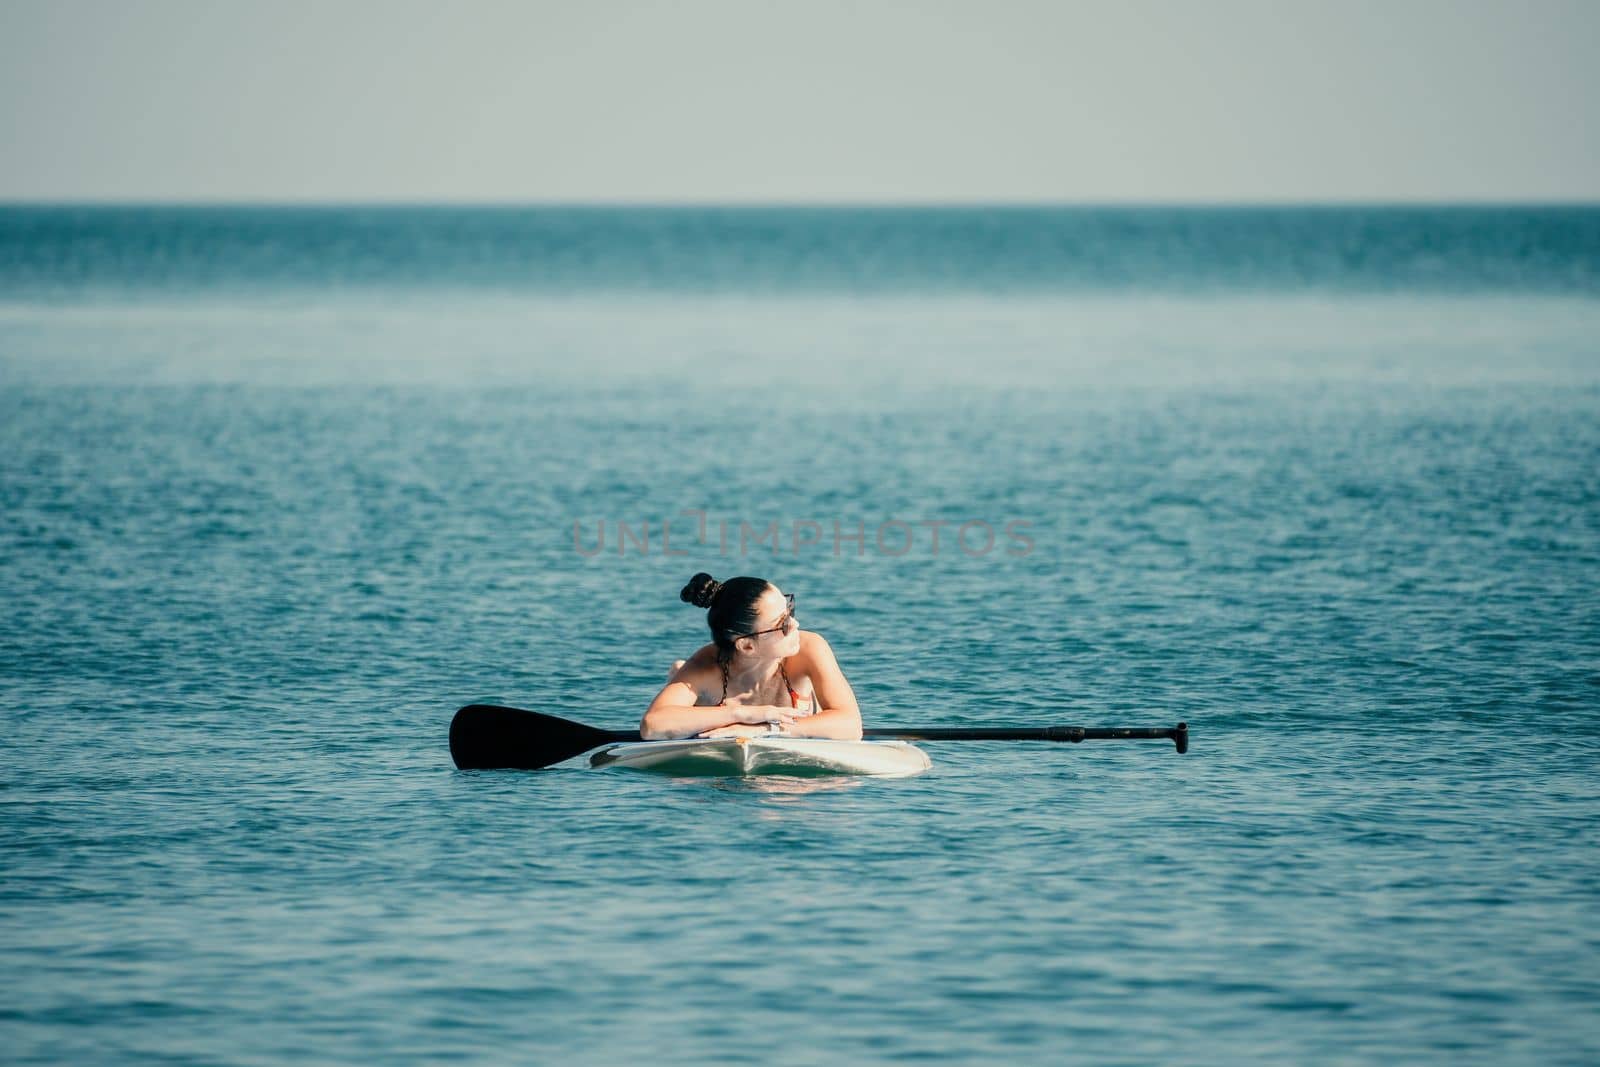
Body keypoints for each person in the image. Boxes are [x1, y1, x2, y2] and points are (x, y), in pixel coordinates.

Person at [641, 573, 864, 741]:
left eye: (790, 611)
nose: (795, 624)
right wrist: (743, 714)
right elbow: (652, 725)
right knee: (683, 676)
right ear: (747, 646)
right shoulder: (706, 667)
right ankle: (677, 676)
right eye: (783, 624)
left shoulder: (809, 648)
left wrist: (766, 728)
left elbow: (851, 725)